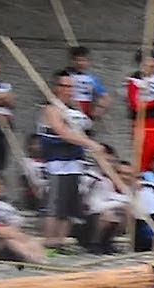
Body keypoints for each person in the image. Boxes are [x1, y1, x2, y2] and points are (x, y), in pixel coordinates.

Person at [39, 70, 103, 248]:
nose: (67, 90)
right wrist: (90, 143)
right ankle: (49, 243)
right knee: (55, 207)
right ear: (56, 87)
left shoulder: (74, 110)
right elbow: (63, 133)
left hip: (74, 162)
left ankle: (60, 242)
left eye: (70, 86)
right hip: (57, 162)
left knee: (68, 208)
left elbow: (85, 126)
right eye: (64, 86)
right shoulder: (51, 109)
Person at [66, 46, 109, 121]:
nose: (80, 63)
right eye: (77, 60)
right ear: (72, 61)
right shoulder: (65, 76)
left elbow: (105, 96)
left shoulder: (91, 79)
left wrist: (99, 108)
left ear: (88, 62)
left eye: (83, 60)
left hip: (84, 117)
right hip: (68, 114)